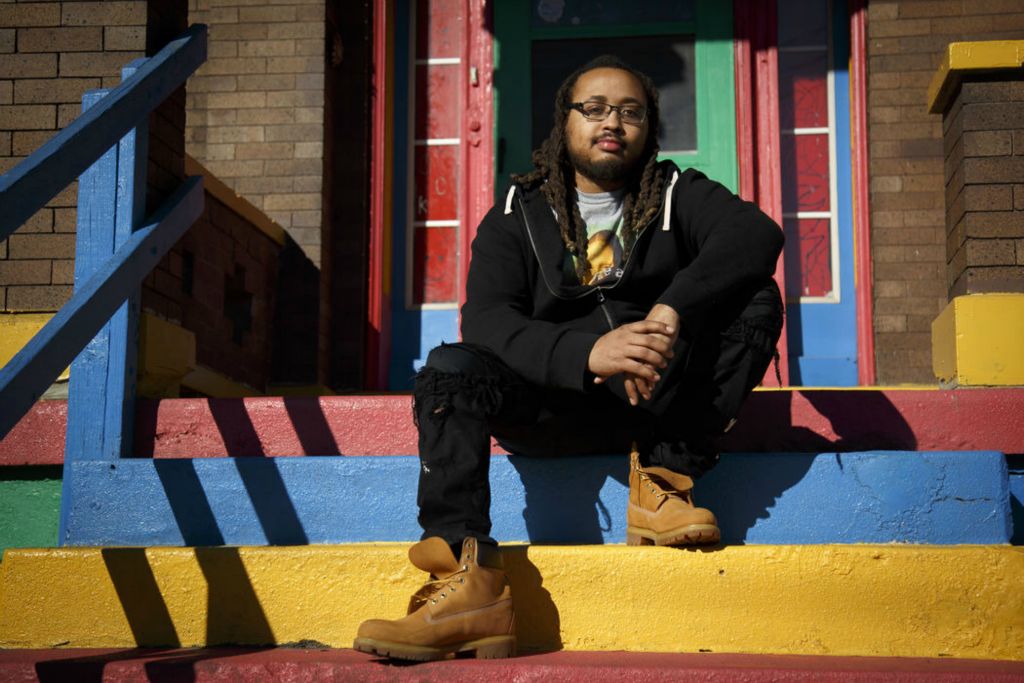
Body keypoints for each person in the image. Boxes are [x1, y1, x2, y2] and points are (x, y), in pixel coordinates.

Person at [353, 55, 784, 661]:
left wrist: (671, 309)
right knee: (451, 369)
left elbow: (756, 235)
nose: (613, 122)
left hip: (658, 403)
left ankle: (662, 481)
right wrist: (588, 354)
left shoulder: (676, 191)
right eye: (595, 109)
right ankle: (468, 582)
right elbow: (487, 322)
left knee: (756, 297)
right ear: (566, 121)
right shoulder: (516, 212)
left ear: (649, 127)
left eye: (631, 111)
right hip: (551, 405)